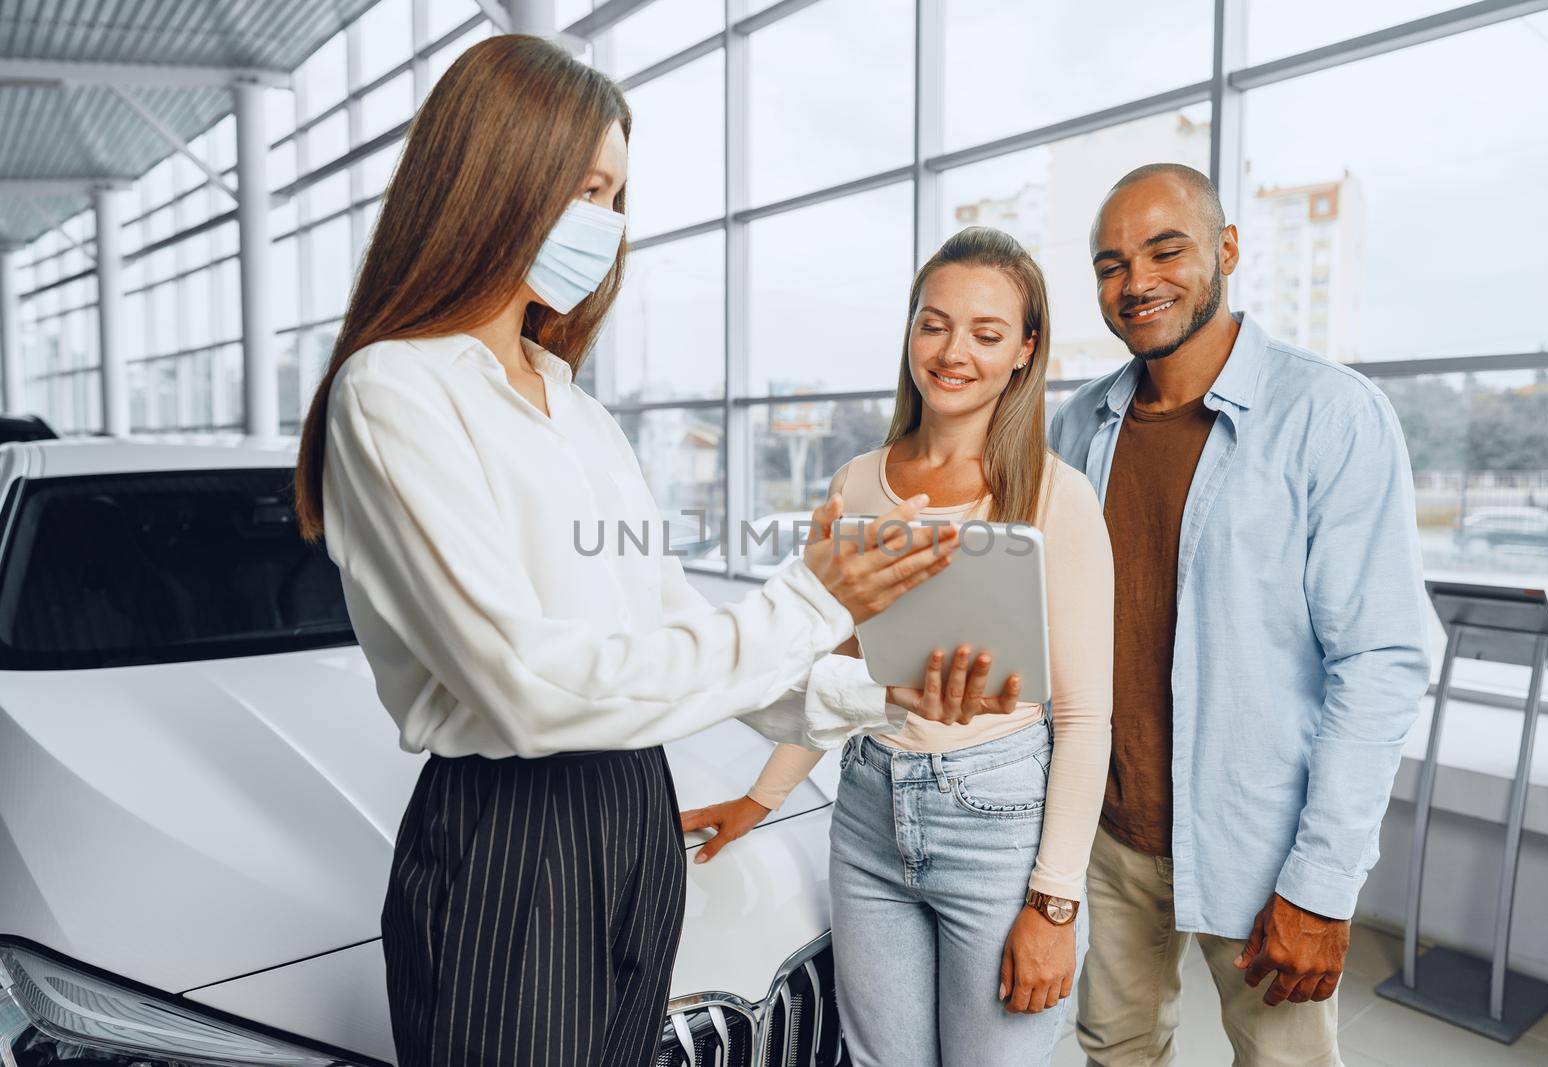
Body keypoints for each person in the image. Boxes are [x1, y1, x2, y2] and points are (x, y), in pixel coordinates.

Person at [291, 36, 1013, 1067]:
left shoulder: (572, 404)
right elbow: (527, 687)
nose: (606, 223)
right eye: (586, 185)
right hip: (515, 832)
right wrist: (812, 596)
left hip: (633, 806)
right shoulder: (395, 390)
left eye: (616, 195)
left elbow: (675, 638)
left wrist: (888, 698)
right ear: (498, 175)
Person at [680, 226, 1115, 1067]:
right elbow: (837, 669)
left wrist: (1055, 905)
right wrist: (760, 798)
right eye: (934, 323)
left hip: (998, 820)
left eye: (987, 334)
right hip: (870, 810)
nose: (954, 352)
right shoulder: (856, 481)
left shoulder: (1058, 496)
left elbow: (1089, 717)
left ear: (1026, 351)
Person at [1048, 163, 1430, 1067]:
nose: (1136, 282)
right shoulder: (1078, 426)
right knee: (1116, 1052)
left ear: (1226, 250)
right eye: (1111, 263)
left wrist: (1323, 886)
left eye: (1165, 249)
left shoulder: (1331, 416)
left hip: (1261, 846)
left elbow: (1378, 661)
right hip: (1109, 835)